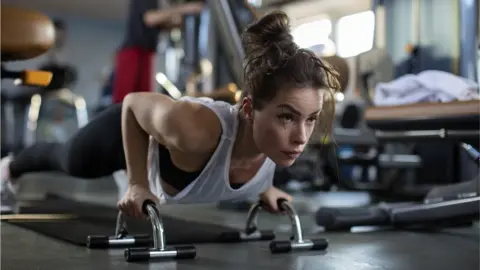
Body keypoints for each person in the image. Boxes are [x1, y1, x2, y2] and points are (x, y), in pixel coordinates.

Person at [0, 11, 340, 217]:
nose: (301, 136)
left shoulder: (274, 147)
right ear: (249, 110)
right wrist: (137, 184)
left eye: (310, 118)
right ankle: (10, 165)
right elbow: (133, 103)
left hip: (161, 155)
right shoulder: (197, 130)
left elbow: (256, 159)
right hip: (125, 134)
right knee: (68, 160)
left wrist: (265, 190)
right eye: (286, 117)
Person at [112, 0, 204, 104]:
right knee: (124, 101)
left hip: (146, 52)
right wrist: (186, 8)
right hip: (133, 52)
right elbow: (150, 18)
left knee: (141, 100)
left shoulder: (155, 4)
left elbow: (161, 25)